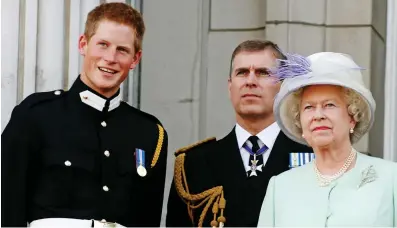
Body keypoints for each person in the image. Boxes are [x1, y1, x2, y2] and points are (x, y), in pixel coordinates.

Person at [1, 2, 168, 227]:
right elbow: (6, 207)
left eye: (122, 50)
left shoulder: (149, 133)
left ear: (135, 59)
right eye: (103, 44)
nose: (110, 58)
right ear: (83, 44)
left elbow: (148, 220)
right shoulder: (36, 115)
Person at [165, 40, 312, 227]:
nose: (250, 81)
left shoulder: (313, 159)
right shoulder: (192, 165)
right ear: (230, 86)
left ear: (283, 86)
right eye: (242, 73)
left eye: (263, 73)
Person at [257, 52, 397, 226]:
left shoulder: (391, 178)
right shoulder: (279, 187)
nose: (318, 115)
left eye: (329, 105)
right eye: (308, 107)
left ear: (352, 116)